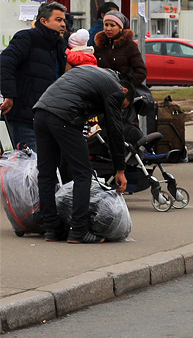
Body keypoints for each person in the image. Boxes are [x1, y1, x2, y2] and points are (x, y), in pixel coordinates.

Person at [33, 65, 130, 243]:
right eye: (122, 105)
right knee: (83, 174)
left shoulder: (87, 72)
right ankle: (79, 230)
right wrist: (120, 169)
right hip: (64, 117)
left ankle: (53, 228)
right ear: (124, 90)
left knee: (46, 174)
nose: (119, 108)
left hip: (40, 113)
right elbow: (115, 130)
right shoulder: (115, 90)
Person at [0, 1, 68, 151]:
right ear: (43, 21)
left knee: (46, 168)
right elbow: (4, 63)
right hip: (25, 117)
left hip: (49, 117)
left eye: (64, 20)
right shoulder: (27, 38)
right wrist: (9, 96)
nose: (63, 24)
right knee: (30, 165)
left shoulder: (59, 45)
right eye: (58, 20)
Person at [92, 11, 147, 92]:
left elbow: (141, 72)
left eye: (112, 25)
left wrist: (125, 85)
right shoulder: (99, 46)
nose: (108, 29)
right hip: (102, 91)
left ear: (120, 27)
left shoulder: (129, 46)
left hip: (123, 92)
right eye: (106, 25)